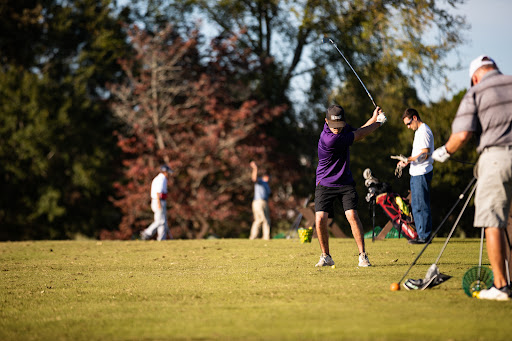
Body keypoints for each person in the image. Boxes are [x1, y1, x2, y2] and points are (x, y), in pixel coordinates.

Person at [432, 55, 512, 301]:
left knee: (493, 220)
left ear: (475, 76)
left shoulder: (476, 91)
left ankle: (501, 287)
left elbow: (463, 133)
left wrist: (445, 151)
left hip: (497, 157)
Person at [314, 104, 386, 267]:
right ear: (326, 122)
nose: (337, 129)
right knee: (320, 219)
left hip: (344, 181)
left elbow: (359, 129)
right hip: (325, 181)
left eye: (340, 126)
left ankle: (362, 256)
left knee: (352, 215)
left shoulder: (342, 128)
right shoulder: (329, 139)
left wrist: (374, 118)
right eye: (334, 126)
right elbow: (359, 135)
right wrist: (379, 123)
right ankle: (326, 256)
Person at [396, 108, 434, 244]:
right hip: (416, 173)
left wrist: (409, 159)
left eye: (409, 123)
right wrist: (407, 162)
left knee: (421, 204)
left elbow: (424, 154)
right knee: (416, 204)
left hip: (422, 173)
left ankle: (424, 236)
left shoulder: (424, 131)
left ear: (415, 118)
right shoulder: (419, 131)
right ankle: (421, 234)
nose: (408, 127)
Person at [140, 165, 173, 241]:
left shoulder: (158, 178)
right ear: (165, 172)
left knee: (162, 221)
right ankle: (147, 233)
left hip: (156, 200)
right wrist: (159, 203)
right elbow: (158, 192)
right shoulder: (162, 179)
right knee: (160, 221)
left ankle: (162, 238)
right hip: (159, 200)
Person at [249, 161, 271, 240]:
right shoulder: (260, 182)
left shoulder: (267, 185)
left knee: (265, 219)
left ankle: (265, 236)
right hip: (258, 202)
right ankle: (255, 236)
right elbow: (254, 178)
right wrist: (255, 168)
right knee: (261, 219)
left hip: (264, 202)